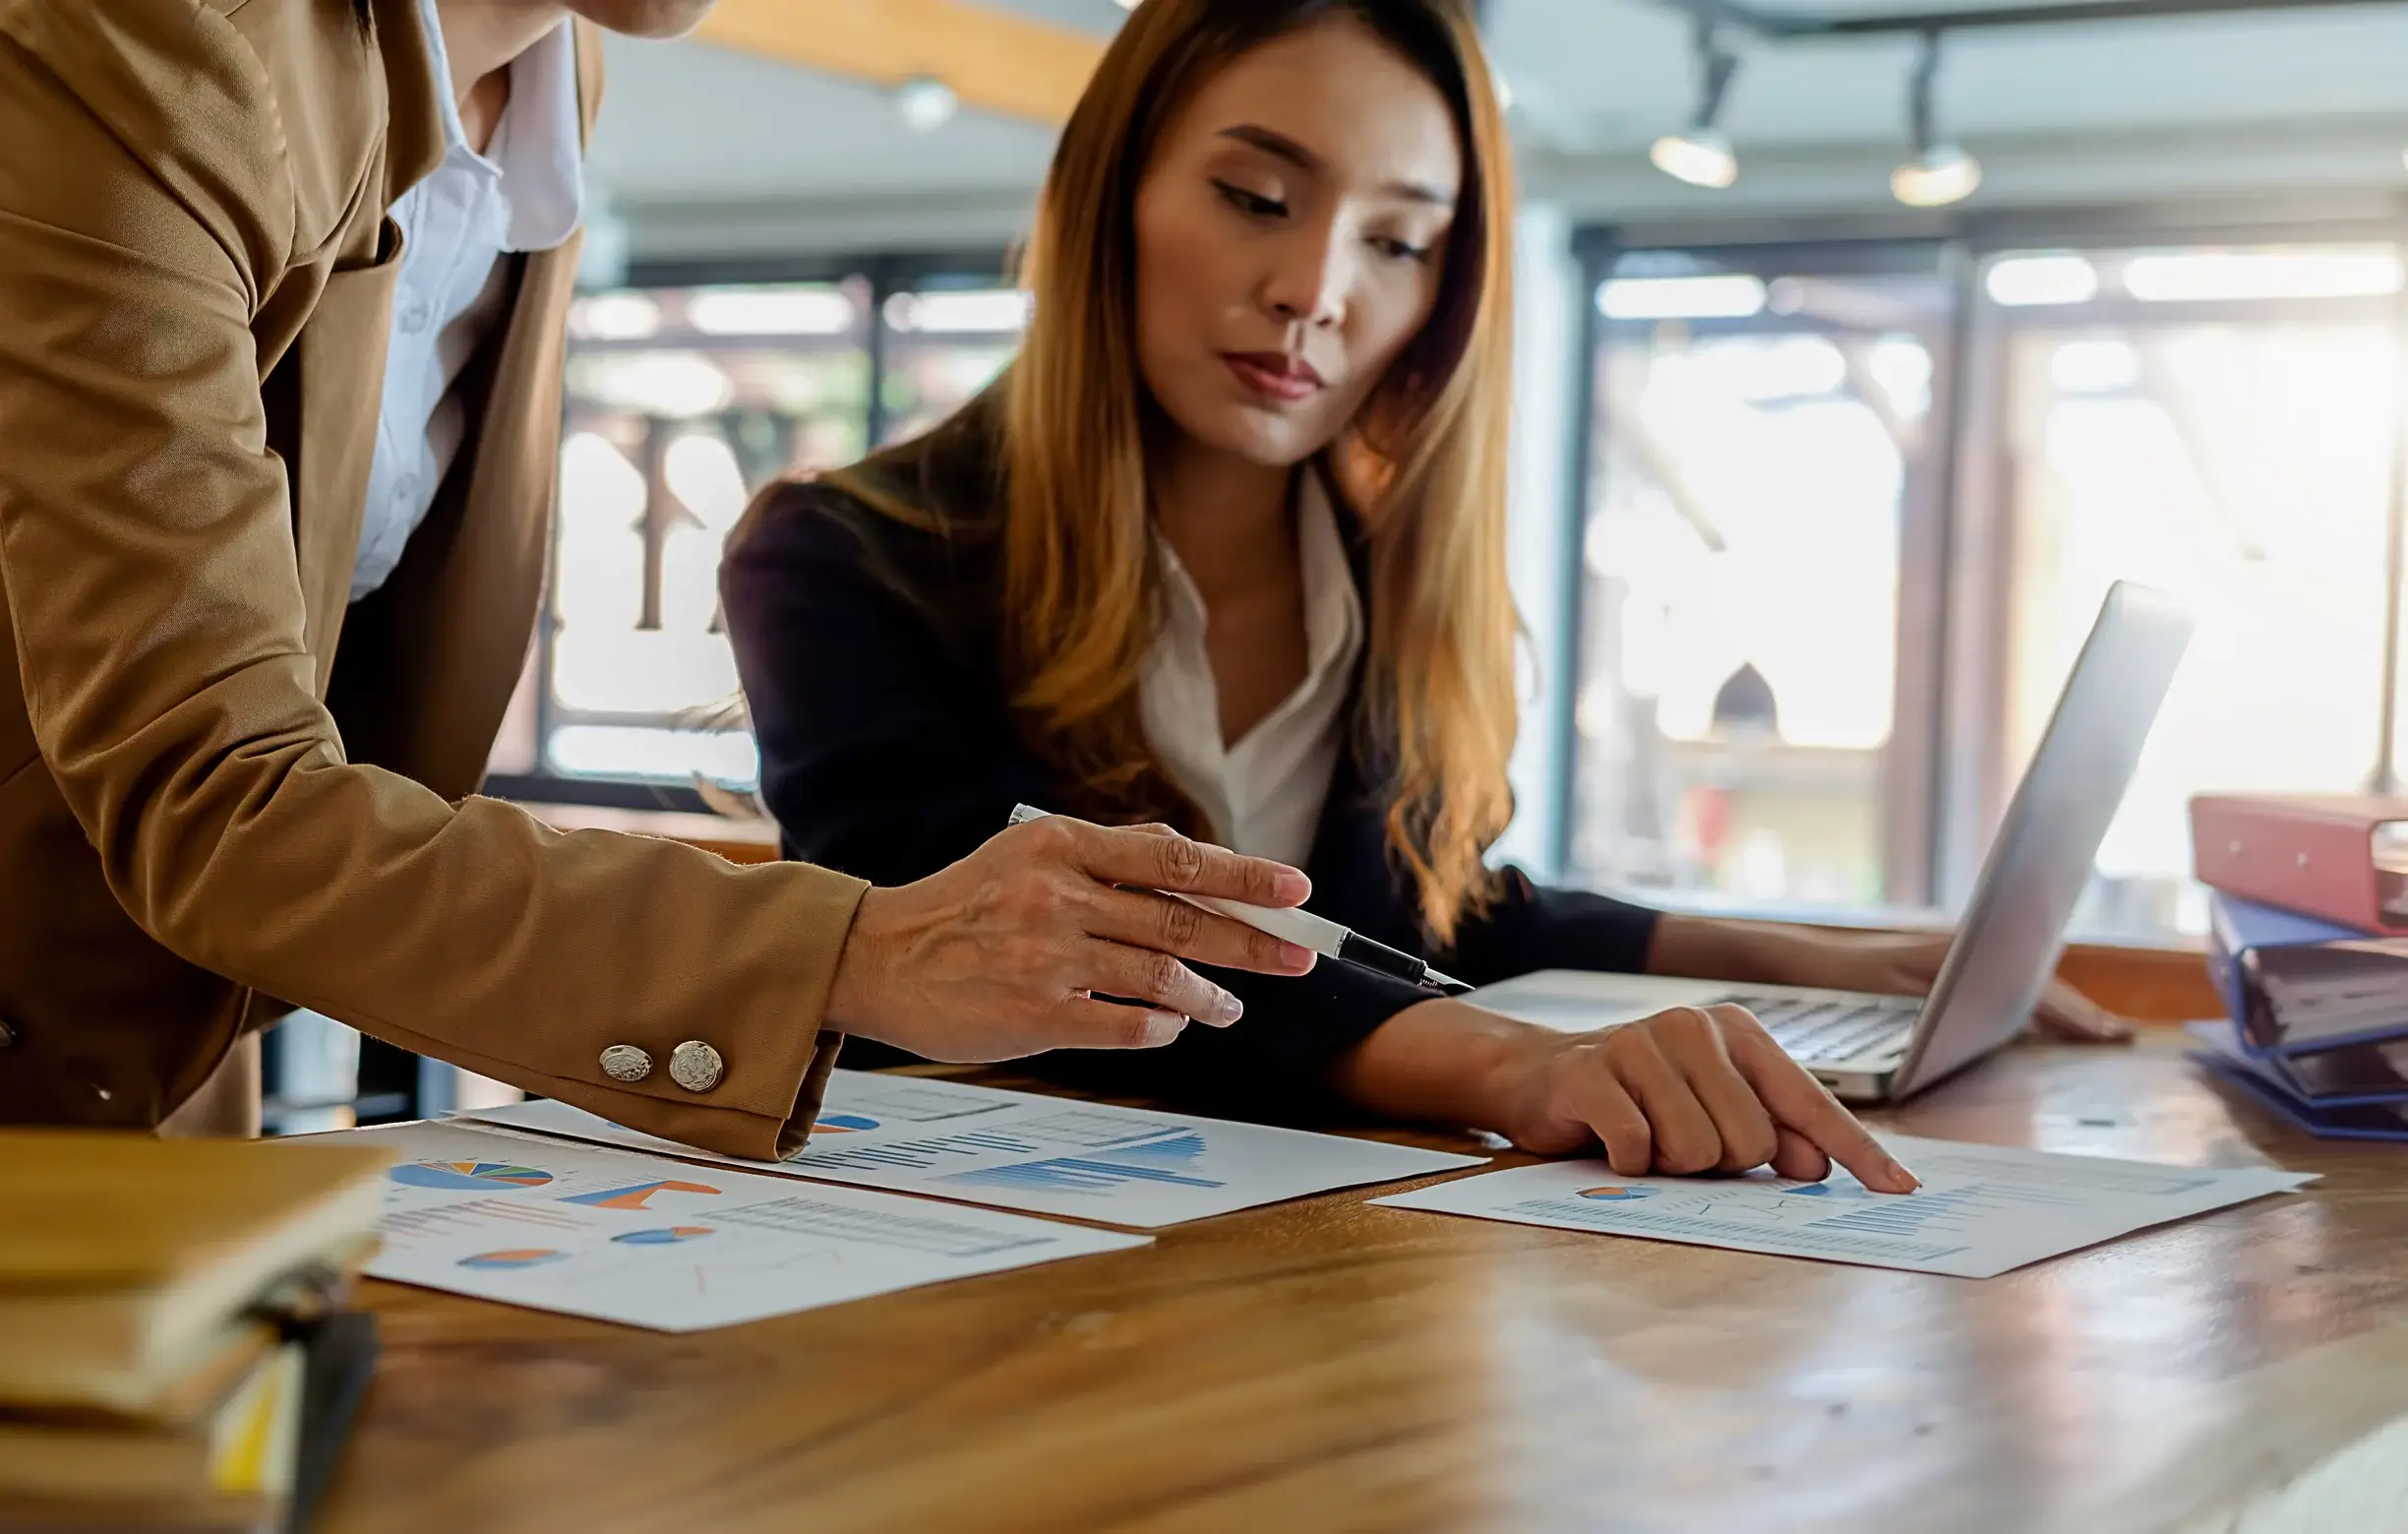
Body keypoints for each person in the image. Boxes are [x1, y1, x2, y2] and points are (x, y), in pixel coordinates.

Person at [723, 0, 2130, 1190]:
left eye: (1398, 241)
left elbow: (1423, 911)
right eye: (1256, 199)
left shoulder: (1390, 575)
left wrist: (1810, 958)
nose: (1315, 289)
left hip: (1316, 1262)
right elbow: (1056, 944)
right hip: (974, 1249)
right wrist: (1514, 1064)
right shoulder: (840, 558)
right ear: (1115, 195)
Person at [0, 0, 1326, 1157]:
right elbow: (207, 786)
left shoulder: (551, 86)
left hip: (164, 1073)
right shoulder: (157, 47)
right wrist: (852, 952)